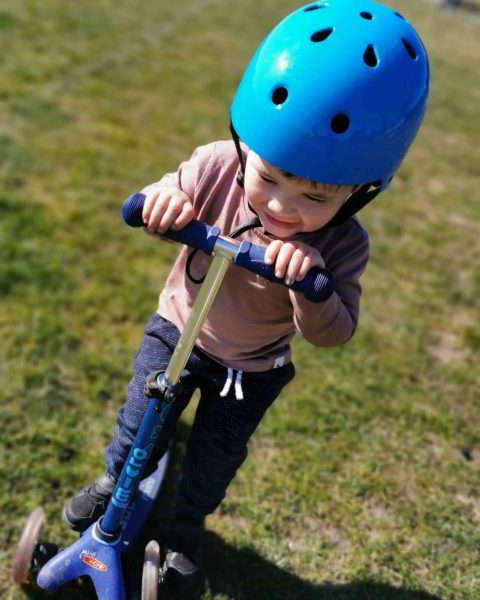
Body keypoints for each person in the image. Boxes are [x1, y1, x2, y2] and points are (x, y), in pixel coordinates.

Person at [62, 0, 430, 588]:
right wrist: (163, 204)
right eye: (268, 178)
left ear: (362, 192)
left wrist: (312, 288)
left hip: (251, 371)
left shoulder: (343, 245)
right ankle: (114, 483)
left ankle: (186, 530)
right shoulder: (216, 164)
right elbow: (158, 193)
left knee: (212, 462)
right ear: (245, 140)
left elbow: (334, 332)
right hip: (179, 329)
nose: (283, 207)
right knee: (141, 421)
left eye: (316, 198)